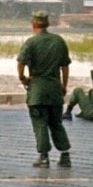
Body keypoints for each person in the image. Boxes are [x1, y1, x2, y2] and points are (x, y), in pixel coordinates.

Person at [16, 11, 72, 167]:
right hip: (54, 88)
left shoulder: (30, 43)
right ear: (48, 24)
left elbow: (21, 62)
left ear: (33, 24)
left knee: (40, 123)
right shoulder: (59, 41)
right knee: (56, 123)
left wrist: (23, 78)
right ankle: (65, 154)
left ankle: (44, 156)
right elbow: (65, 66)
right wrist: (64, 85)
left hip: (37, 90)